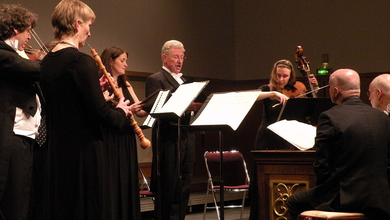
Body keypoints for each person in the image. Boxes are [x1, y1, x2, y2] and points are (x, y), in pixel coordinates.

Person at [39, 0, 131, 219]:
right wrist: (120, 110)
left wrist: (93, 88)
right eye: (89, 26)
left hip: (56, 153)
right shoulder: (82, 61)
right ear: (77, 24)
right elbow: (101, 113)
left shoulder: (46, 61)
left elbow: (66, 98)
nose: (89, 33)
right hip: (83, 153)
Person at [286, 69, 390, 220]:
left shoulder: (330, 117)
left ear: (335, 91)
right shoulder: (383, 118)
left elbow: (322, 165)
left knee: (293, 202)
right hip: (380, 198)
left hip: (346, 198)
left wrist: (322, 193)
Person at [249, 59, 318, 220]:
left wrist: (313, 87)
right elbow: (252, 97)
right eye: (278, 75)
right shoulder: (267, 89)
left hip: (287, 136)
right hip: (267, 137)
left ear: (290, 76)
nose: (281, 79)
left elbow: (310, 108)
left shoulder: (297, 89)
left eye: (285, 76)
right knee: (262, 178)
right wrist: (273, 93)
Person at [144, 40, 202, 220]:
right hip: (168, 137)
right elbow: (154, 107)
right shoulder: (155, 79)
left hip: (186, 135)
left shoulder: (185, 81)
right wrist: (185, 105)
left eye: (182, 57)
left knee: (184, 183)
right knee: (168, 185)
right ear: (165, 57)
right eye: (176, 57)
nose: (180, 61)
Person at [0, 4, 41, 220]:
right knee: (14, 203)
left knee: (23, 199)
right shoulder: (5, 54)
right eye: (27, 31)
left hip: (24, 138)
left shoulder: (17, 55)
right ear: (15, 29)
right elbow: (31, 69)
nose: (30, 38)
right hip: (12, 138)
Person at [98, 46, 147, 220]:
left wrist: (149, 106)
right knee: (111, 180)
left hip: (126, 137)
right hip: (111, 137)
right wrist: (127, 110)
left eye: (126, 60)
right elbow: (101, 111)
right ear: (110, 61)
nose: (126, 64)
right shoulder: (100, 82)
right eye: (122, 60)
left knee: (126, 179)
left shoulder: (126, 84)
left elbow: (139, 110)